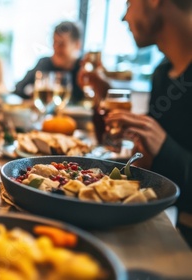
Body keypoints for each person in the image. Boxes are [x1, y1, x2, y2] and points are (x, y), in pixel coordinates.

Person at [79, 0, 192, 245]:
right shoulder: (163, 72)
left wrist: (164, 147)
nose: (123, 18)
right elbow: (156, 170)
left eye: (128, 3)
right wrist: (105, 95)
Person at [15, 21, 84, 104]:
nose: (56, 48)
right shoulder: (45, 63)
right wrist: (31, 93)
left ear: (77, 45)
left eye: (62, 44)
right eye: (54, 42)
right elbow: (19, 88)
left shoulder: (84, 70)